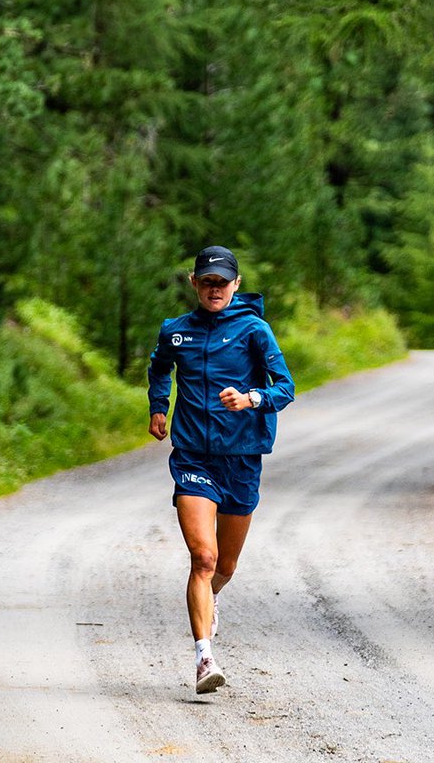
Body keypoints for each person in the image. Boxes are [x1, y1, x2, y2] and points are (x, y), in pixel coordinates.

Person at [147, 245, 295, 694]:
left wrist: (252, 398)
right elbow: (159, 368)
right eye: (207, 281)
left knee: (226, 564)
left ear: (236, 284)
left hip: (242, 458)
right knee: (204, 557)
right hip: (192, 456)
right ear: (194, 283)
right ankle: (204, 658)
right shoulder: (176, 332)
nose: (215, 289)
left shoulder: (254, 330)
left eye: (222, 282)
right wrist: (159, 408)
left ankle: (209, 600)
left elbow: (285, 387)